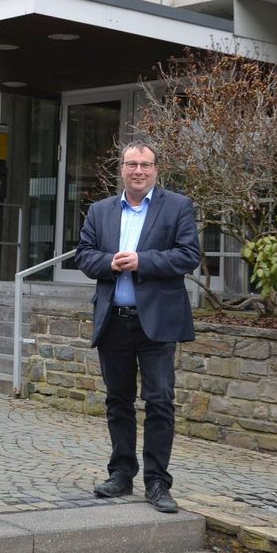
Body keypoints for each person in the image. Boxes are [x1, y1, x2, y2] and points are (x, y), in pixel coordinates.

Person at [74, 141, 200, 514]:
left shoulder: (177, 206)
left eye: (146, 165)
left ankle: (158, 482)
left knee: (160, 402)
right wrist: (110, 263)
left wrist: (142, 261)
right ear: (122, 169)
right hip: (114, 320)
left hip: (157, 322)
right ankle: (121, 473)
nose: (139, 171)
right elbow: (84, 254)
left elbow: (188, 255)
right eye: (132, 164)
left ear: (156, 170)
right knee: (118, 401)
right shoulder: (100, 211)